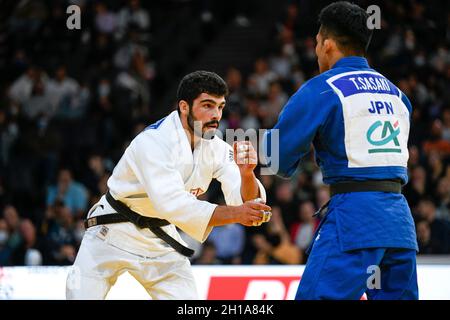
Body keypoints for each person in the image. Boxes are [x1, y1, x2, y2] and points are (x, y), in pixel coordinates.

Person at [66, 70, 270, 299]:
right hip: (111, 231)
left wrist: (247, 175)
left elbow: (247, 204)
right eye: (207, 105)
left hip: (159, 236)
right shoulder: (153, 142)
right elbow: (174, 205)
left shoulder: (216, 148)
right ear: (184, 107)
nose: (216, 114)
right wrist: (237, 214)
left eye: (220, 107)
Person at [263, 2, 418, 300]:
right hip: (400, 224)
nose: (317, 51)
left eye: (318, 44)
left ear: (329, 45)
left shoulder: (322, 88)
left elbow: (276, 160)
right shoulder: (398, 95)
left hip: (355, 219)